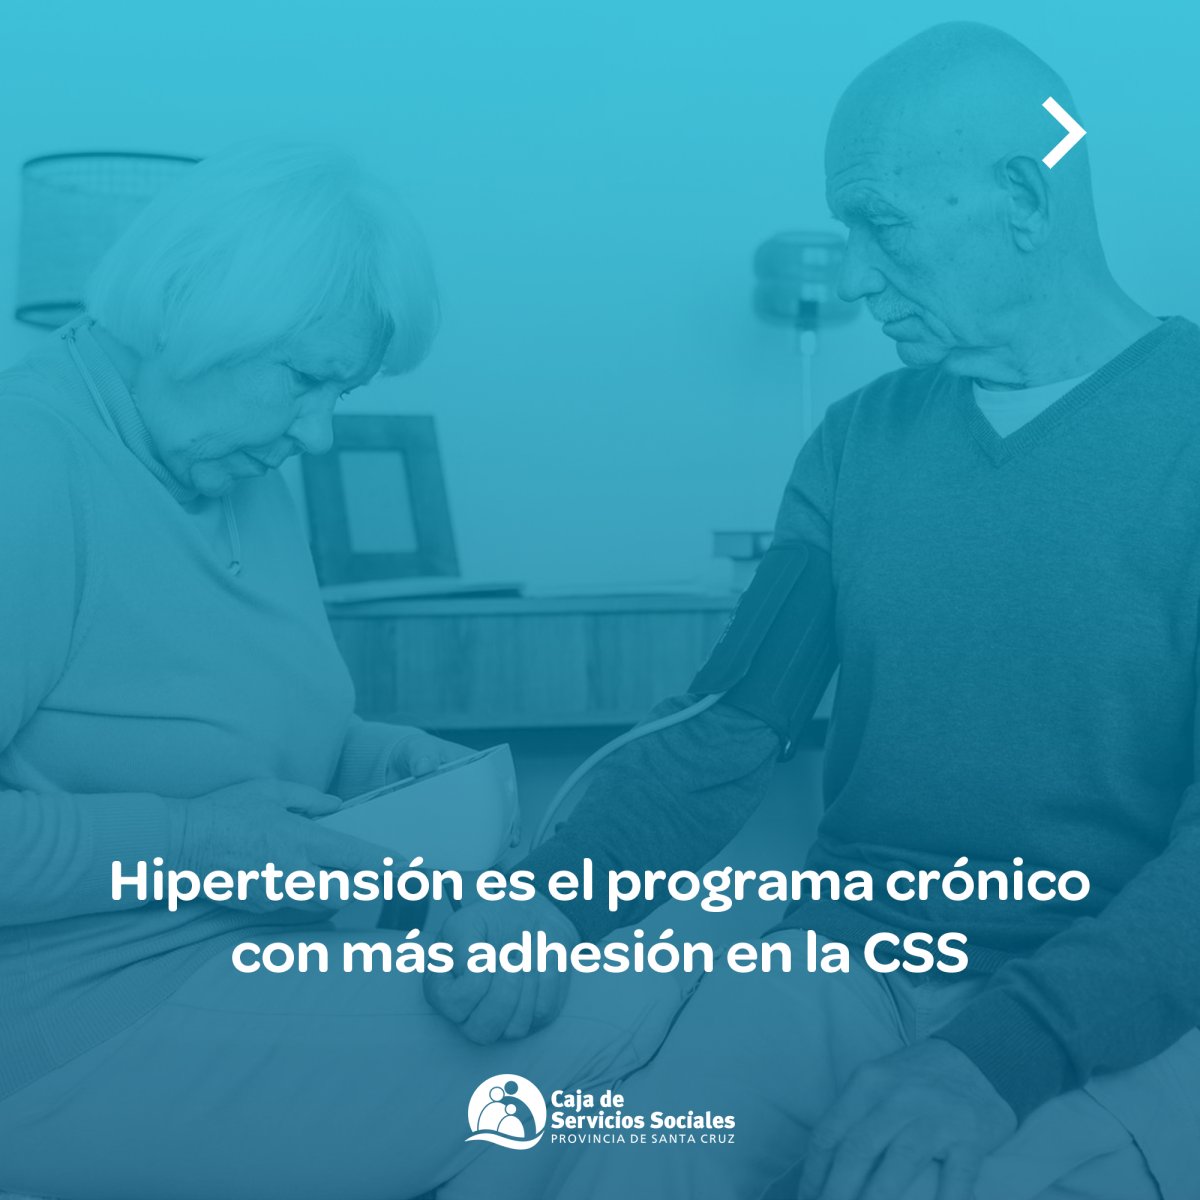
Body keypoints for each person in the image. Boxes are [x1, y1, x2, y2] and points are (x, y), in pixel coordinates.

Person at [428, 22, 1200, 1200]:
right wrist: (548, 896)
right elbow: (733, 728)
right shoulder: (857, 442)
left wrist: (995, 1058)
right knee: (612, 1171)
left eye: (882, 225)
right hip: (849, 960)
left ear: (1026, 198)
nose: (856, 275)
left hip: (1110, 1000)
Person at [0, 142, 690, 1200]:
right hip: (67, 1020)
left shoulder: (238, 472)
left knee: (637, 992)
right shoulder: (30, 461)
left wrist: (382, 766)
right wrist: (195, 845)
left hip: (224, 965)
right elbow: (204, 808)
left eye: (345, 390)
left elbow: (228, 725)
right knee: (618, 1038)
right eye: (305, 379)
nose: (319, 435)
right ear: (187, 314)